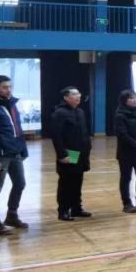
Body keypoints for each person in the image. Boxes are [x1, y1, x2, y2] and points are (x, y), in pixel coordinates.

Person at [0, 75, 29, 234]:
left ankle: (12, 215)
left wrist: (23, 149)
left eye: (10, 87)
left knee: (20, 183)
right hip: (1, 155)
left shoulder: (11, 104)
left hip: (15, 152)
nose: (8, 90)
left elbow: (17, 129)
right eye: (5, 87)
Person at [48, 86, 91, 222]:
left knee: (77, 181)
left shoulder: (80, 112)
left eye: (78, 93)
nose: (78, 96)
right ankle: (63, 210)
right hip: (69, 153)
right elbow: (56, 136)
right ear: (66, 97)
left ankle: (76, 208)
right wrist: (62, 155)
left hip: (81, 153)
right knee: (66, 182)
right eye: (74, 94)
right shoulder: (59, 113)